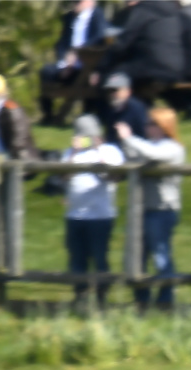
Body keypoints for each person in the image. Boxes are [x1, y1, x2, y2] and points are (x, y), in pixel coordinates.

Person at [116, 106, 182, 310]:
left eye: (152, 124)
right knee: (138, 256)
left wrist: (129, 138)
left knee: (161, 255)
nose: (147, 127)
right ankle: (141, 300)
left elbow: (154, 154)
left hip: (162, 210)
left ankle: (165, 300)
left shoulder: (173, 147)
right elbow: (135, 157)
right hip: (143, 210)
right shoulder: (150, 145)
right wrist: (125, 143)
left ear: (164, 126)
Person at [62, 114, 124, 306]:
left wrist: (98, 151)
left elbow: (112, 176)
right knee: (76, 258)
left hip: (100, 215)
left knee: (99, 257)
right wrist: (73, 152)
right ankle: (80, 295)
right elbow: (64, 176)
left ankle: (101, 296)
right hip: (75, 215)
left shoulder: (110, 151)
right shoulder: (70, 153)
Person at [101, 0, 186, 97]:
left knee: (110, 78)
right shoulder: (172, 9)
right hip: (176, 69)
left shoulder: (143, 9)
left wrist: (102, 65)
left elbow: (122, 42)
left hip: (151, 68)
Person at [41, 0, 106, 124]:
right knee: (46, 71)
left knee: (90, 82)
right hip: (67, 65)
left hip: (88, 66)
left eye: (78, 1)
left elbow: (99, 37)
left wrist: (78, 53)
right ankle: (48, 115)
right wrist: (64, 60)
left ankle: (87, 116)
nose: (74, 4)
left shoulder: (98, 16)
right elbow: (61, 43)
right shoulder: (69, 18)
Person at [90, 71, 150, 141]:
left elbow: (145, 135)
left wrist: (128, 138)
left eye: (115, 90)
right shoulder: (110, 108)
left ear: (128, 91)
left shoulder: (137, 109)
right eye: (109, 91)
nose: (111, 94)